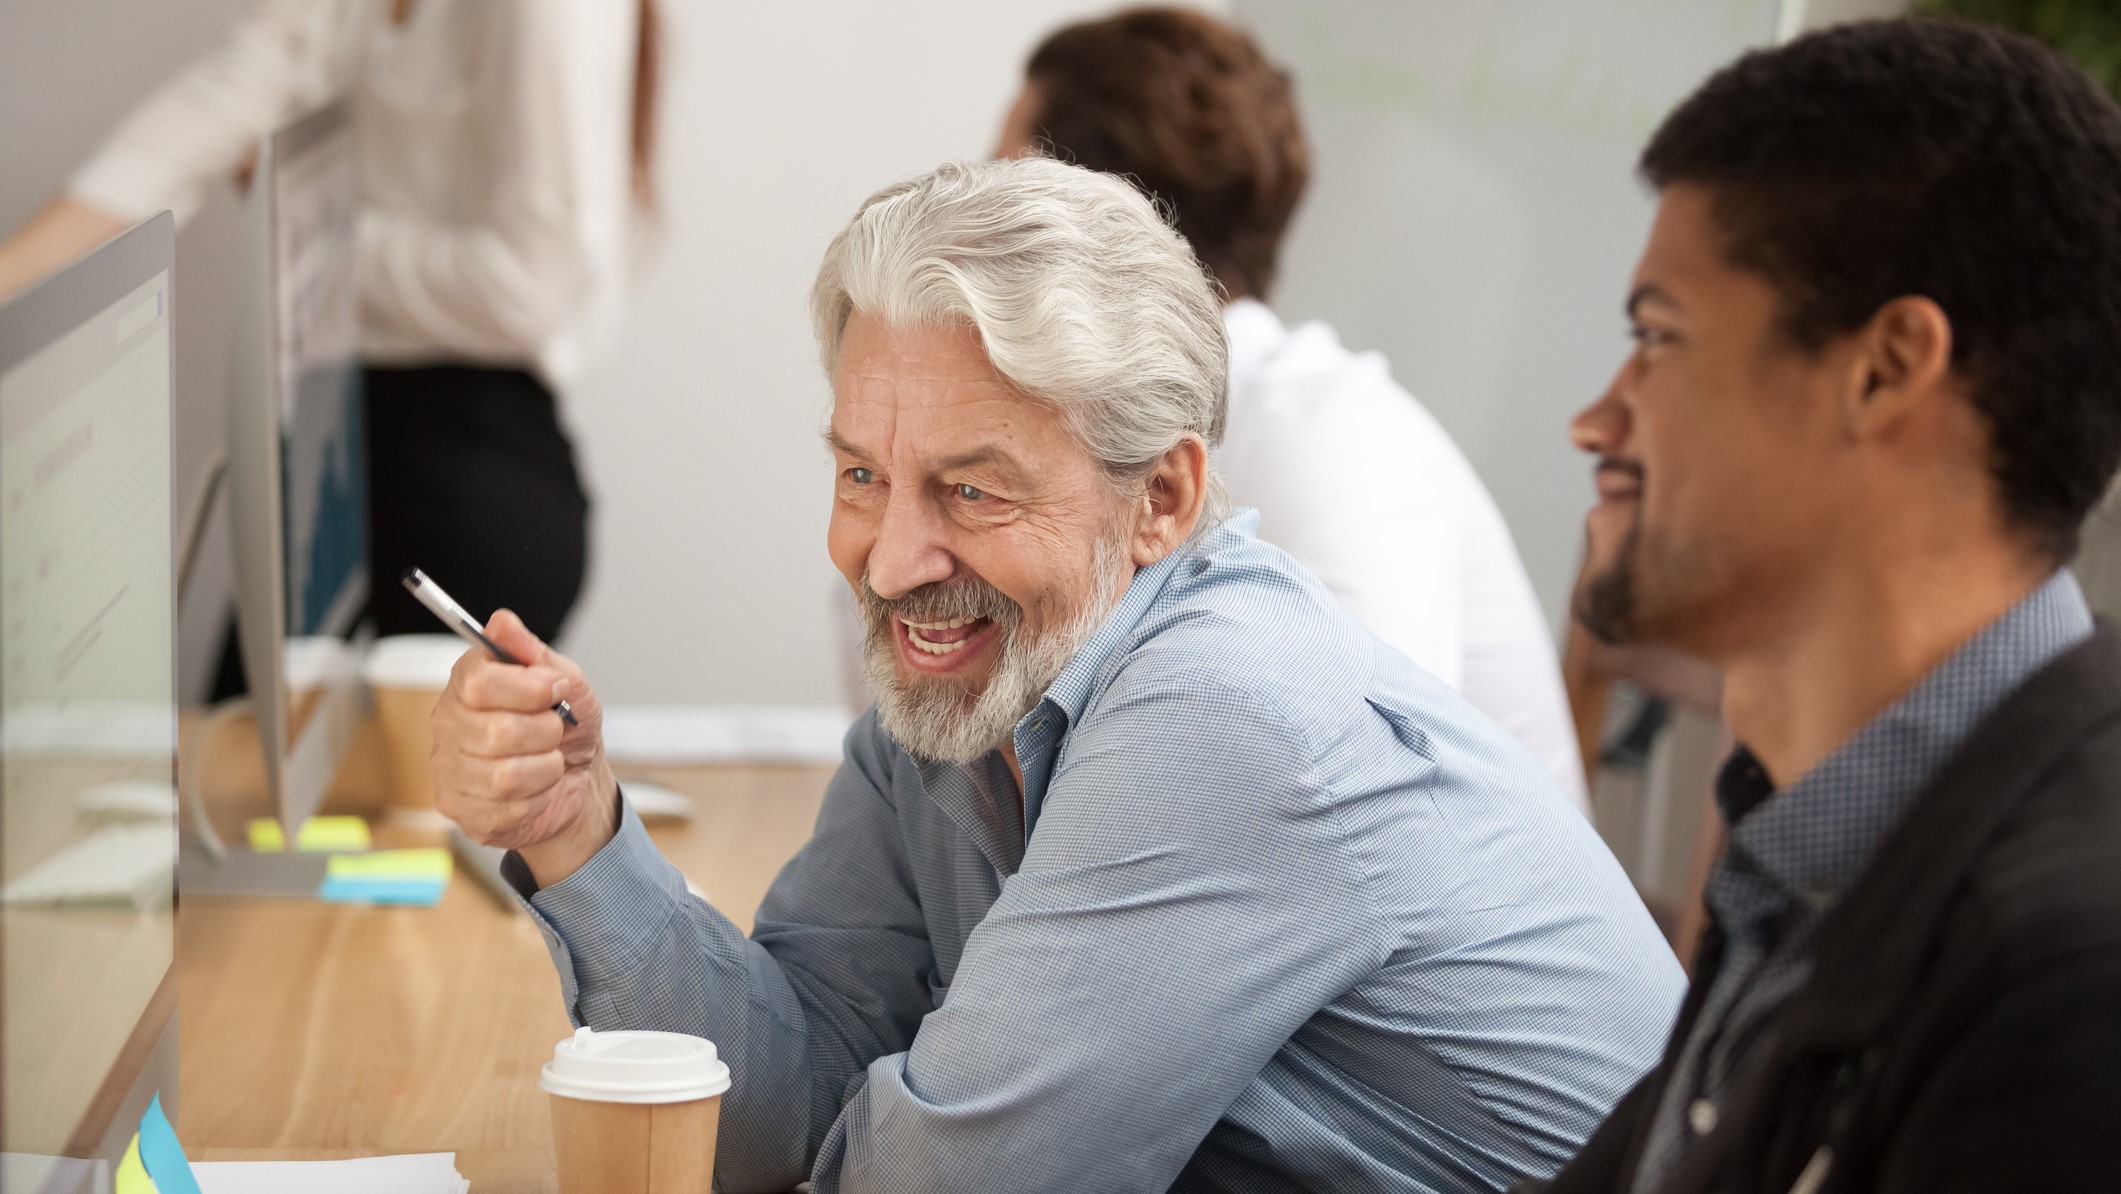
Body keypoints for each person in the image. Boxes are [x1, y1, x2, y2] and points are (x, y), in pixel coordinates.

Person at [432, 156, 1683, 1193]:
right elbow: (777, 1108)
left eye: (972, 489)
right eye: (863, 475)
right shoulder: (961, 691)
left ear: (1164, 499)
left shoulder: (1226, 715)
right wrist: (578, 832)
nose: (892, 559)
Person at [1525, 19, 2121, 1193]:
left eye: (1658, 338)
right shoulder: (1818, 854)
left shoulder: (2069, 976)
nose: (1596, 421)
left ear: (1887, 370)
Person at [997, 7, 1589, 810]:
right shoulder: (1149, 432)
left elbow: (1360, 799)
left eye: (1004, 190)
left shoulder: (1332, 440)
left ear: (1078, 222)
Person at [0, 0, 660, 644]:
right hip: (337, 435)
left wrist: (316, 229)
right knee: (232, 744)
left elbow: (530, 291)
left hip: (471, 472)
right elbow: (224, 99)